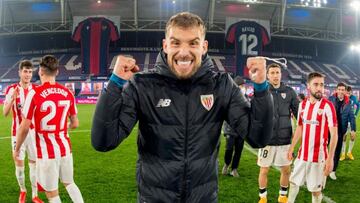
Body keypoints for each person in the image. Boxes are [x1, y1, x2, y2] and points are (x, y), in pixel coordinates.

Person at [91, 12, 274, 202]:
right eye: (176, 43)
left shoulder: (222, 85)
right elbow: (104, 141)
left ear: (204, 47)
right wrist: (115, 84)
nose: (184, 52)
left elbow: (258, 138)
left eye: (193, 43)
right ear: (165, 46)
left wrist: (261, 86)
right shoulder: (143, 85)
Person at [13, 55, 84, 203]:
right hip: (65, 149)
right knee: (70, 183)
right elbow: (75, 123)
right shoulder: (67, 93)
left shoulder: (34, 93)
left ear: (40, 71)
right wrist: (61, 128)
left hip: (47, 154)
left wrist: (17, 148)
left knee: (52, 194)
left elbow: (24, 127)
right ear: (57, 72)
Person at [287, 72, 338, 203]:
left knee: (315, 191)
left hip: (319, 158)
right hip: (302, 155)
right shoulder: (302, 105)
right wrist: (291, 147)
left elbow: (334, 134)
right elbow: (300, 127)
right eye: (316, 84)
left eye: (322, 84)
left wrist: (330, 159)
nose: (320, 88)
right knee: (293, 182)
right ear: (308, 86)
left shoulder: (328, 106)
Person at [257, 63, 299, 203]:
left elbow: (299, 114)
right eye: (272, 73)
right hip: (266, 140)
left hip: (284, 139)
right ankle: (263, 197)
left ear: (281, 74)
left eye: (277, 72)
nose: (275, 75)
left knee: (286, 169)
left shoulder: (290, 92)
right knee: (264, 170)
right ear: (268, 75)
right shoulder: (262, 91)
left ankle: (282, 195)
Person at [3, 60, 43, 203]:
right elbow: (5, 113)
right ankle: (23, 191)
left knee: (34, 165)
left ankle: (34, 195)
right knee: (19, 165)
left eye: (30, 72)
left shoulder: (37, 90)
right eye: (25, 71)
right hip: (17, 133)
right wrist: (12, 99)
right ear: (19, 72)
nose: (27, 74)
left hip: (33, 134)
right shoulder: (11, 89)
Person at [328, 83, 355, 180]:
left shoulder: (349, 102)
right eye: (339, 89)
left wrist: (353, 129)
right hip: (328, 129)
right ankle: (322, 168)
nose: (341, 91)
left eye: (343, 89)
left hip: (340, 130)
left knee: (337, 151)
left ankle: (333, 171)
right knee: (324, 149)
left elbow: (351, 116)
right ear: (336, 90)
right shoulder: (330, 99)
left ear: (345, 91)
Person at [221, 76, 247, 178]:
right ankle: (227, 164)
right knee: (229, 149)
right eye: (241, 85)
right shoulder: (228, 98)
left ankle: (234, 169)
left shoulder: (246, 99)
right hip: (230, 129)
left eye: (243, 85)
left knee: (239, 150)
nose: (243, 87)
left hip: (241, 130)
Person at [340, 85, 358, 160]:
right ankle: (343, 154)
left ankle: (349, 152)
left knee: (353, 136)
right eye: (347, 93)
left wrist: (356, 114)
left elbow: (358, 105)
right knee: (343, 137)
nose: (348, 94)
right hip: (344, 120)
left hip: (351, 120)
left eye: (350, 93)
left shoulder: (353, 98)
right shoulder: (342, 99)